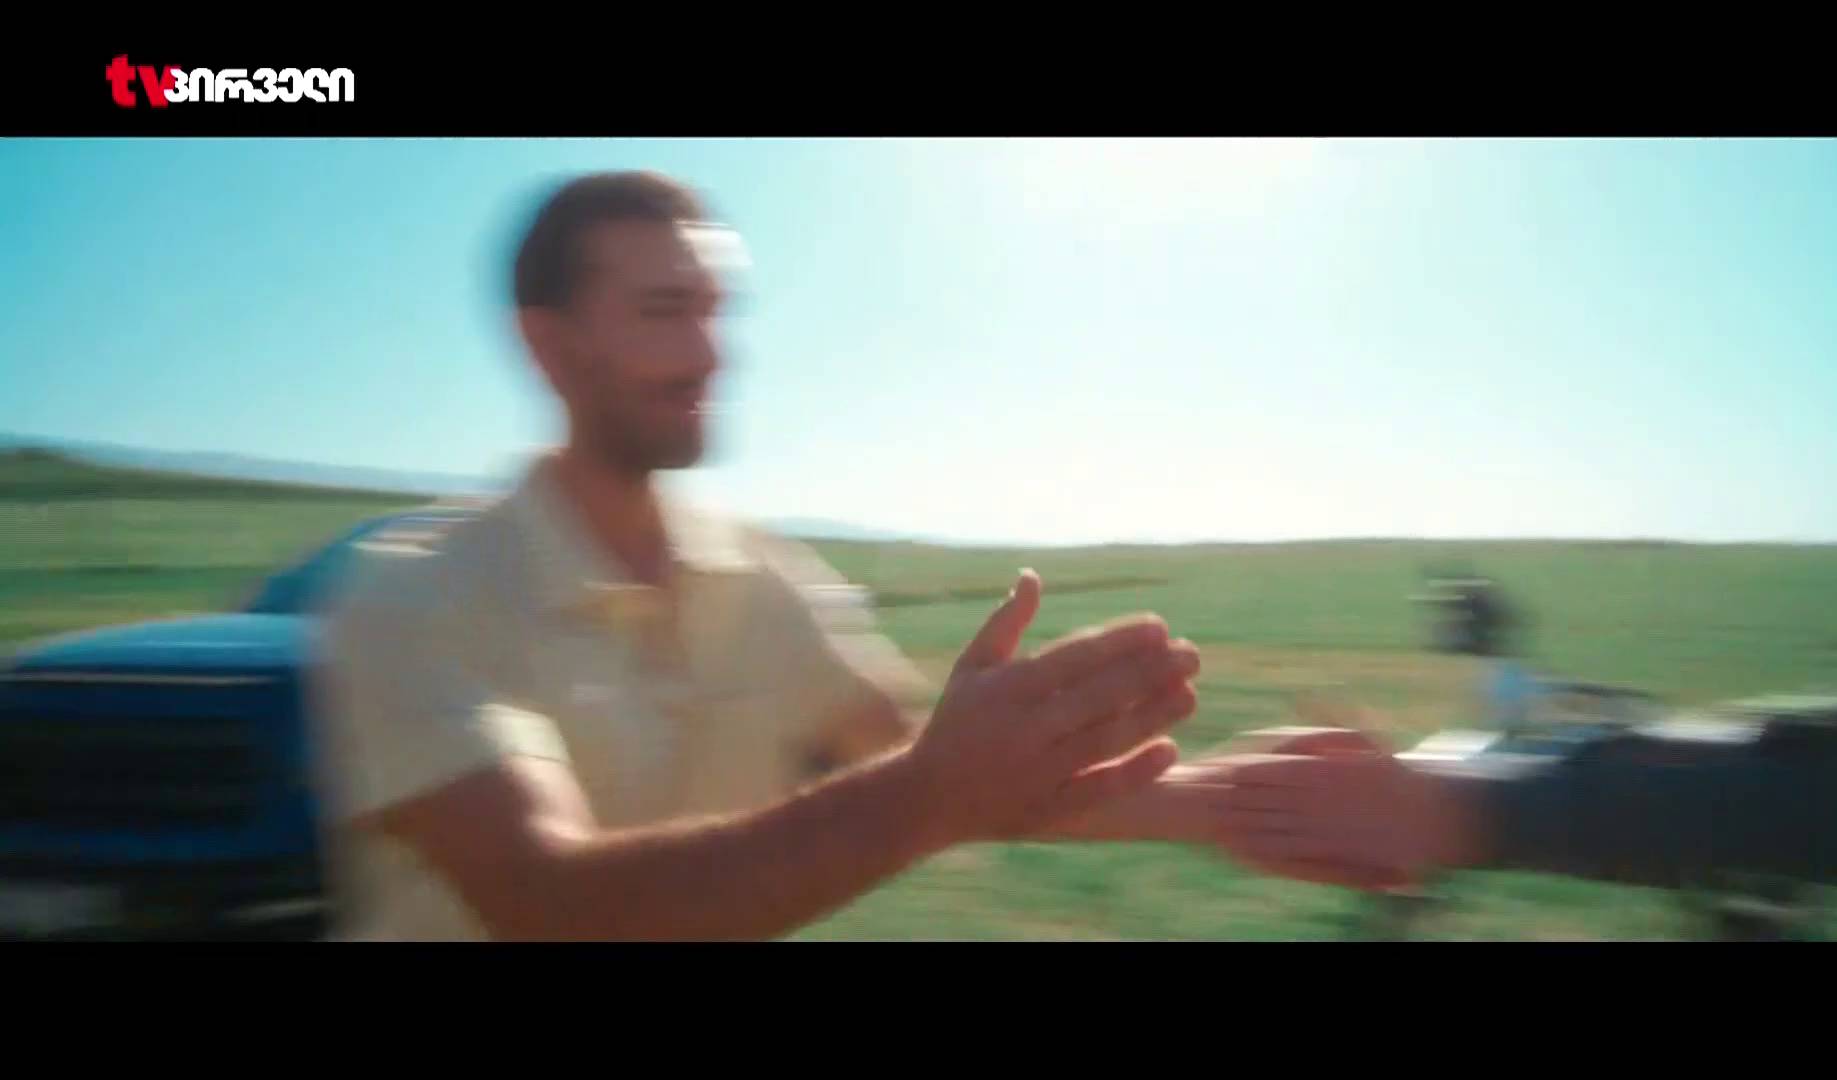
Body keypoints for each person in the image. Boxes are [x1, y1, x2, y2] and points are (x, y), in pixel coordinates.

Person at [314, 170, 1353, 941]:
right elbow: (551, 906)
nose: (712, 354)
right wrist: (930, 795)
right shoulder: (419, 596)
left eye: (715, 312)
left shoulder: (766, 581)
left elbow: (945, 762)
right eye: (665, 313)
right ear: (549, 345)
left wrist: (1228, 800)